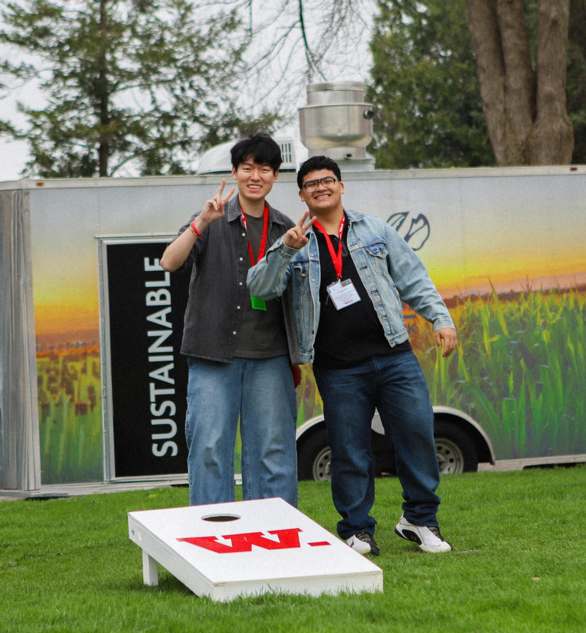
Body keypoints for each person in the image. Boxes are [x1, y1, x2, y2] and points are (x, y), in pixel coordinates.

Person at [247, 155, 457, 555]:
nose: (321, 187)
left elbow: (413, 277)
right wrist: (284, 251)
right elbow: (259, 286)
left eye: (328, 180)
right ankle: (357, 529)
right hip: (339, 368)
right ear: (302, 194)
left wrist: (440, 319)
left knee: (417, 436)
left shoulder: (373, 229)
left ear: (341, 186)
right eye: (311, 183)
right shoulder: (295, 240)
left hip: (395, 356)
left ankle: (420, 519)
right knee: (349, 449)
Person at [160, 134, 299, 507]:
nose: (256, 176)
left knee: (273, 451)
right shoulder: (211, 216)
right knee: (209, 448)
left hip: (270, 356)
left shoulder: (284, 228)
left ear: (275, 177)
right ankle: (210, 542)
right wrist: (202, 221)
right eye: (248, 168)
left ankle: (276, 536)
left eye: (265, 169)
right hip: (212, 354)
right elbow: (169, 262)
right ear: (235, 172)